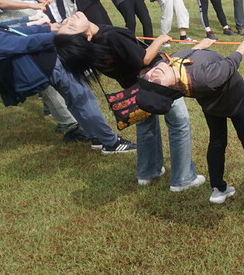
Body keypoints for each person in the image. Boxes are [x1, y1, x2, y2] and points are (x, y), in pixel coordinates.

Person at [0, 23, 136, 154]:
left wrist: (45, 26)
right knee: (82, 99)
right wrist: (60, 36)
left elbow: (12, 29)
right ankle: (111, 143)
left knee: (76, 99)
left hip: (46, 61)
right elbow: (24, 44)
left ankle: (96, 137)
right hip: (48, 65)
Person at [141, 38, 244, 211]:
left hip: (211, 107)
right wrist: (242, 46)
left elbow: (182, 62)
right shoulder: (206, 78)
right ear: (170, 89)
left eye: (147, 78)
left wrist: (199, 48)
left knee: (217, 142)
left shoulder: (169, 66)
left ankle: (219, 189)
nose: (152, 75)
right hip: (237, 104)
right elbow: (230, 64)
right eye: (157, 83)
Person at [54, 13, 203, 189]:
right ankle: (183, 179)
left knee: (146, 125)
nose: (70, 19)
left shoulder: (93, 48)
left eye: (65, 22)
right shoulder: (111, 38)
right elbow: (144, 59)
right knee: (179, 123)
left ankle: (148, 172)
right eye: (70, 26)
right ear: (85, 38)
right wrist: (160, 40)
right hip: (157, 80)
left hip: (133, 88)